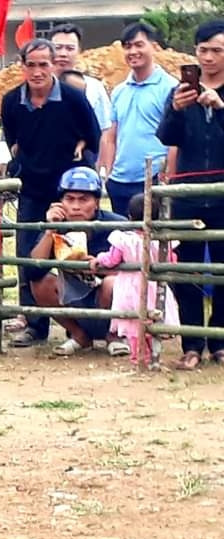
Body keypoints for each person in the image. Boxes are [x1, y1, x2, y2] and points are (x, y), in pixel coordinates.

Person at [1, 38, 100, 348]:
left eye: (44, 64)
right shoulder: (11, 101)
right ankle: (35, 324)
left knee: (76, 255)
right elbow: (13, 139)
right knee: (29, 258)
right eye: (31, 65)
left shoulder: (72, 97)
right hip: (31, 189)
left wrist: (82, 148)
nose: (38, 71)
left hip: (69, 192)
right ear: (22, 67)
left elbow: (93, 133)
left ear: (54, 65)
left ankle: (81, 325)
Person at [156, 18, 224, 370]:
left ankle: (220, 340)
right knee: (187, 275)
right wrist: (176, 109)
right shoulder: (181, 91)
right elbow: (167, 137)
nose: (209, 57)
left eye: (217, 50)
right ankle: (192, 343)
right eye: (203, 50)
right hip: (189, 192)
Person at [26, 166, 128, 357]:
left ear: (97, 203)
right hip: (74, 299)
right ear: (60, 202)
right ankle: (79, 336)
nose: (76, 206)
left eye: (84, 199)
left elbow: (139, 272)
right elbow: (32, 272)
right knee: (41, 283)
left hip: (111, 301)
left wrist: (101, 268)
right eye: (69, 199)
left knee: (112, 283)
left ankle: (114, 336)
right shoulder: (57, 225)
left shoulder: (116, 225)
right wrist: (50, 230)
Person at [88, 192, 179, 365]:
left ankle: (138, 355)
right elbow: (170, 260)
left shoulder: (124, 239)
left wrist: (98, 259)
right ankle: (152, 352)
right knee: (151, 318)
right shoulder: (161, 240)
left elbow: (112, 259)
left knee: (133, 322)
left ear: (130, 217)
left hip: (130, 286)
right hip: (153, 284)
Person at [98, 22, 178, 218]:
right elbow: (110, 136)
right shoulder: (119, 91)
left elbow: (176, 138)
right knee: (124, 242)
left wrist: (168, 178)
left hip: (153, 180)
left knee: (152, 242)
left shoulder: (170, 87)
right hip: (119, 181)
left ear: (155, 46)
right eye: (127, 46)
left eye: (139, 45)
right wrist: (108, 174)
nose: (132, 51)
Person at [49, 23, 113, 146]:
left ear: (79, 51)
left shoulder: (94, 87)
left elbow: (105, 131)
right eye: (58, 47)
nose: (63, 53)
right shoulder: (37, 87)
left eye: (70, 48)